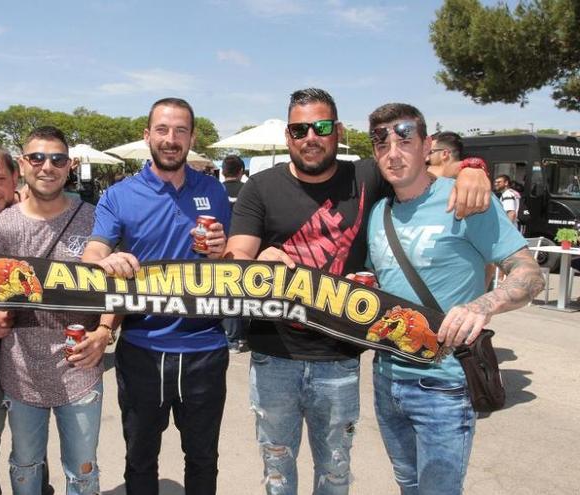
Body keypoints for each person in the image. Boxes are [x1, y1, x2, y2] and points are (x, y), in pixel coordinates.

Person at [223, 88, 492, 495]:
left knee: (335, 471)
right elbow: (235, 257)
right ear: (288, 137)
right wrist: (258, 258)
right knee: (276, 467)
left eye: (322, 126)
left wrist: (473, 167)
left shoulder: (366, 176)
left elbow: (417, 169)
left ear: (338, 131)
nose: (310, 136)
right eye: (299, 128)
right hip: (273, 355)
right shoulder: (260, 186)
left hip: (340, 358)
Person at [365, 102, 544, 494]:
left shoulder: (465, 200)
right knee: (408, 485)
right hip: (386, 378)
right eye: (381, 143)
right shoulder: (379, 212)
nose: (392, 152)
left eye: (404, 139)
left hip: (443, 387)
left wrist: (484, 305)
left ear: (427, 145)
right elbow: (379, 279)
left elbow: (530, 274)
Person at [0, 126, 107, 495]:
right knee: (25, 469)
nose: (48, 166)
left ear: (70, 165)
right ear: (24, 164)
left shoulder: (96, 219)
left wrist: (105, 330)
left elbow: (119, 288)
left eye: (57, 159)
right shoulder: (0, 225)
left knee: (83, 471)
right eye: (37, 158)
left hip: (81, 373)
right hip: (21, 375)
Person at [82, 98, 231, 495]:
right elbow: (93, 252)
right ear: (147, 135)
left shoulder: (214, 191)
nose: (171, 139)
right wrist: (107, 260)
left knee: (203, 459)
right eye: (162, 130)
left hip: (205, 348)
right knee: (140, 459)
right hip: (142, 348)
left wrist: (222, 251)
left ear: (192, 138)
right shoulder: (118, 195)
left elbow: (234, 259)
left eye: (180, 131)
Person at [220, 154, 248, 353]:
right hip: (246, 248)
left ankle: (230, 339)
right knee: (244, 293)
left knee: (227, 294)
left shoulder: (216, 191)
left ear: (222, 171)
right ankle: (242, 337)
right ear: (241, 172)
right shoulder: (248, 191)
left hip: (221, 250)